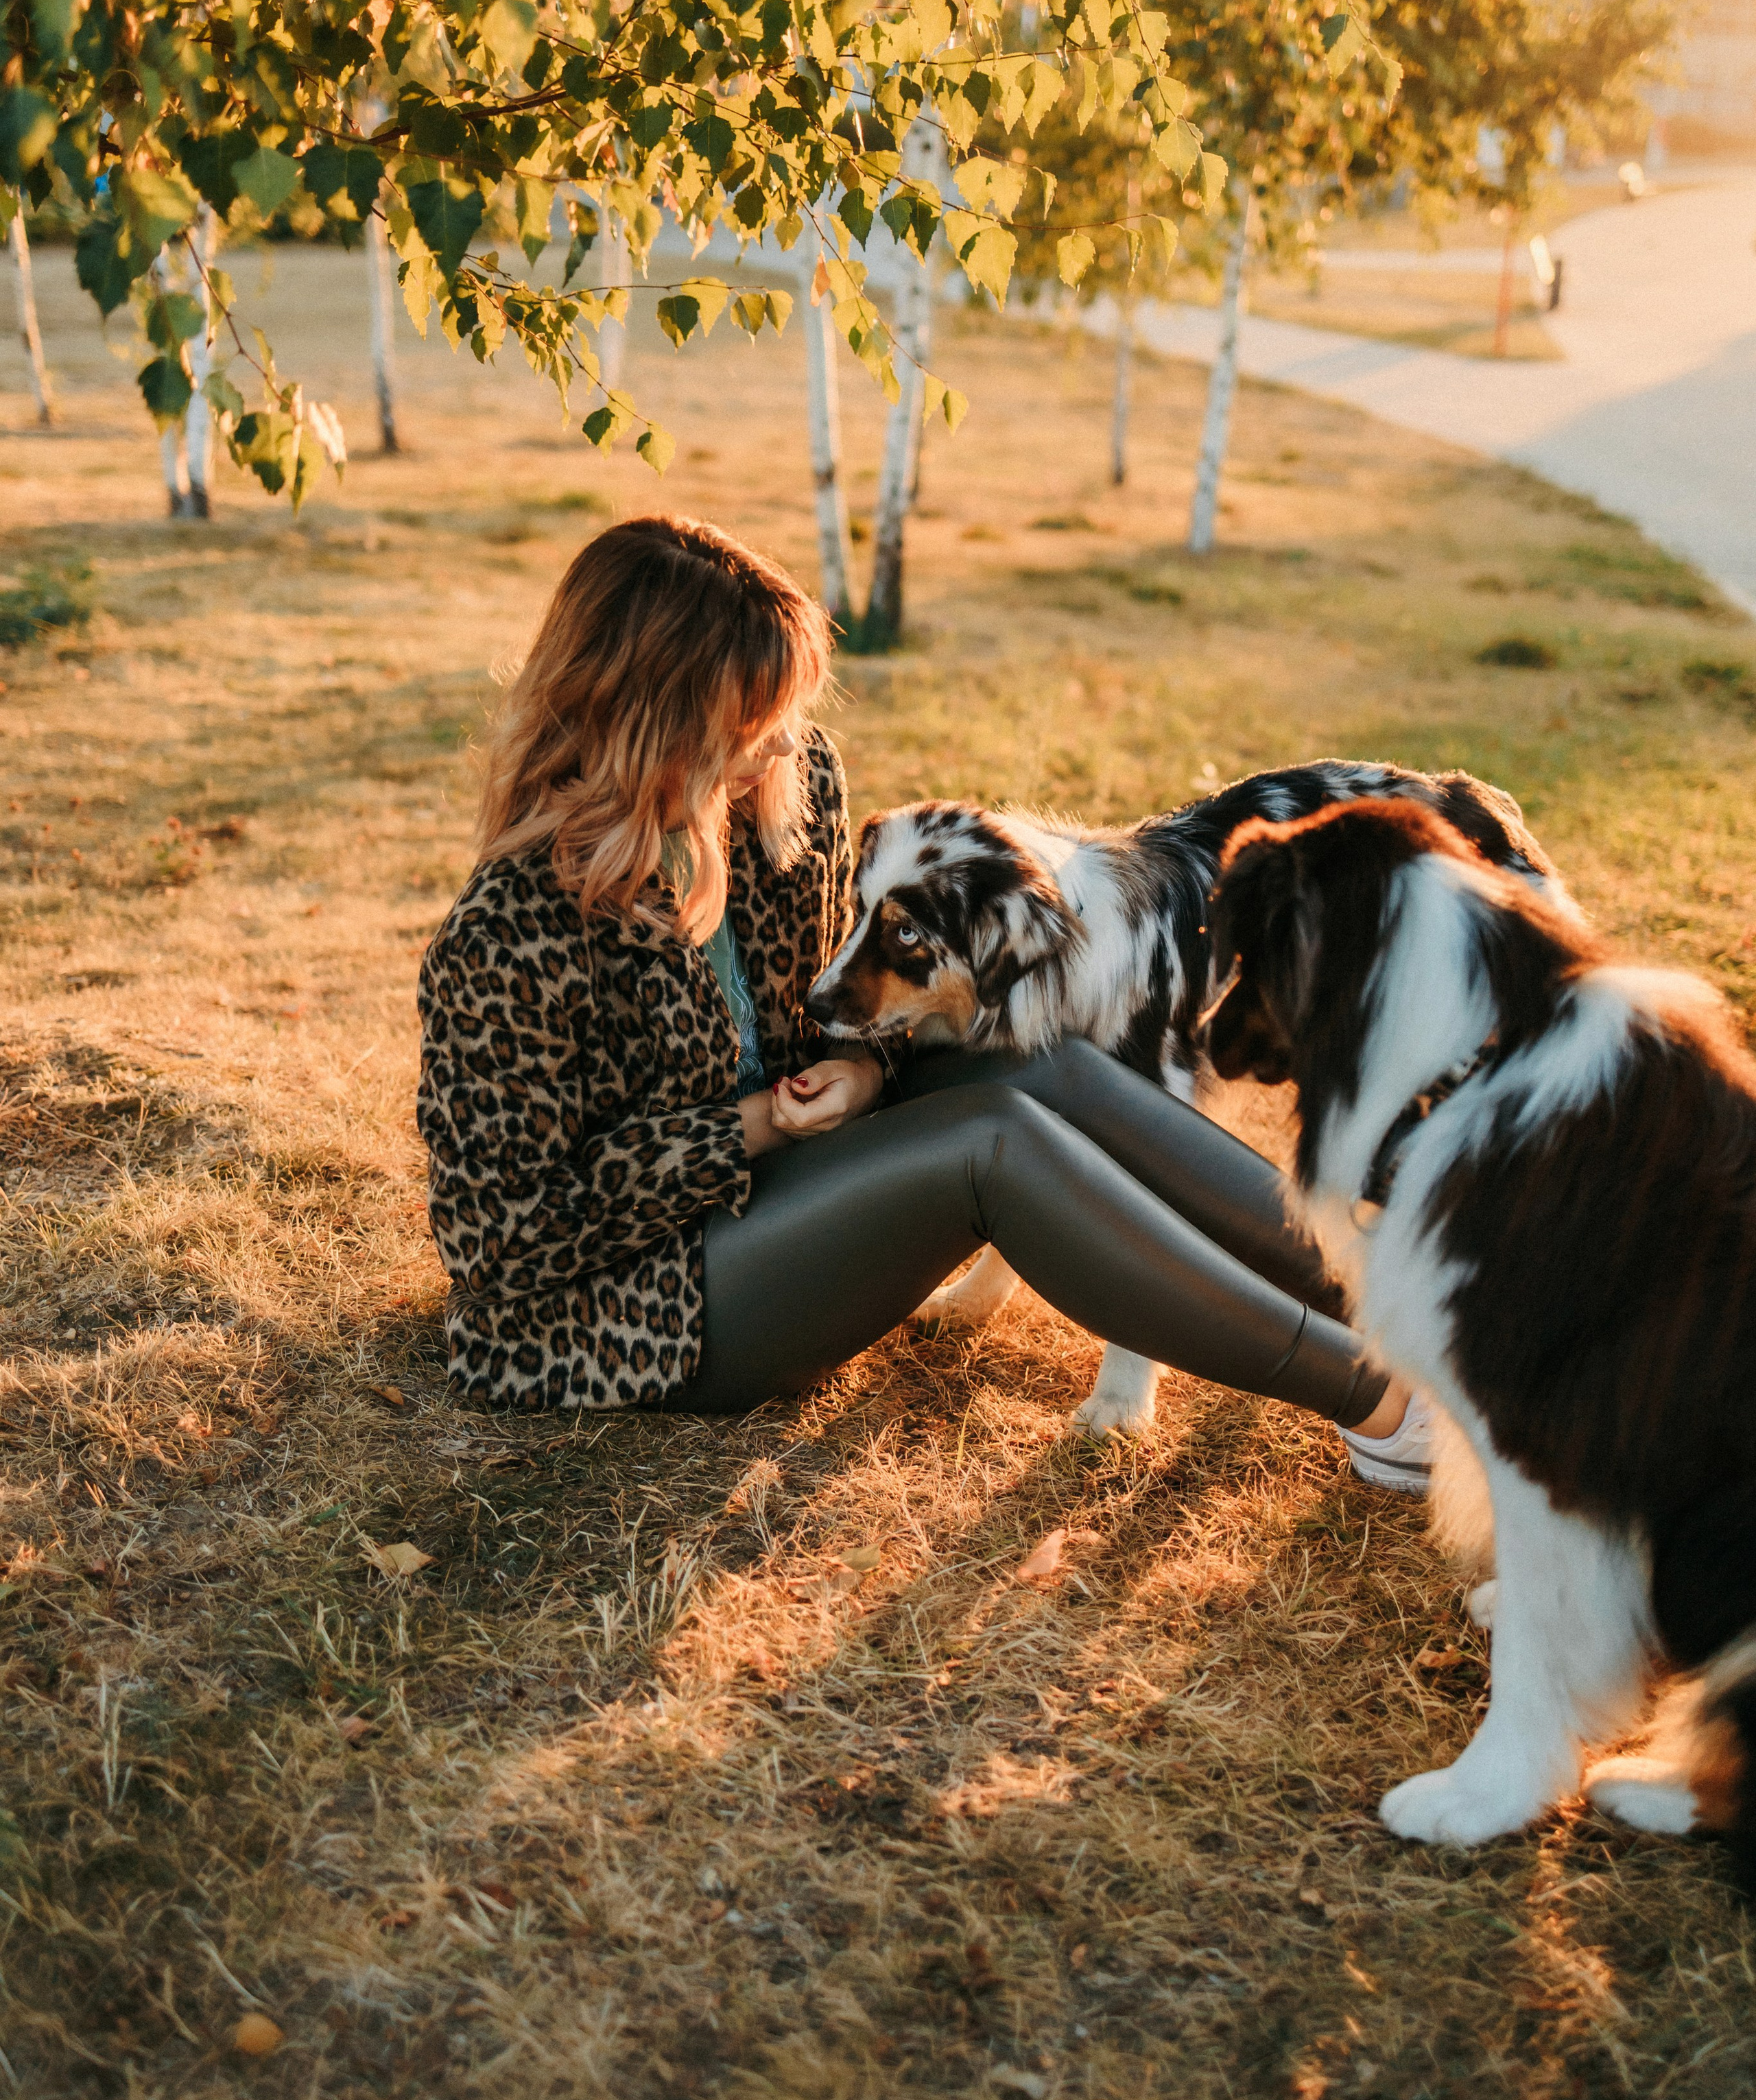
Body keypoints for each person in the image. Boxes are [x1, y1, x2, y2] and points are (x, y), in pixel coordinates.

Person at [416, 514, 1426, 1483]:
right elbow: (504, 1244)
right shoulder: (512, 930)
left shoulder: (788, 788)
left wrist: (862, 1066)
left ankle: (1402, 1307)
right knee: (990, 1142)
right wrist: (754, 1124)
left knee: (1049, 1063)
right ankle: (1385, 1407)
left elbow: (853, 1000)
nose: (782, 744)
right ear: (654, 723)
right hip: (645, 1307)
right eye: (752, 722)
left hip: (801, 1181)